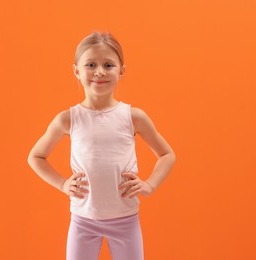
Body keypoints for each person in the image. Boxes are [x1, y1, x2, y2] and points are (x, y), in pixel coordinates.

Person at [27, 31, 176, 260]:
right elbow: (35, 157)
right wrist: (63, 184)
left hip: (125, 219)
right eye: (91, 64)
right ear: (76, 70)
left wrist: (149, 185)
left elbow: (167, 154)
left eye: (108, 65)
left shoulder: (133, 117)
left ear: (121, 71)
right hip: (83, 220)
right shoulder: (68, 119)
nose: (99, 72)